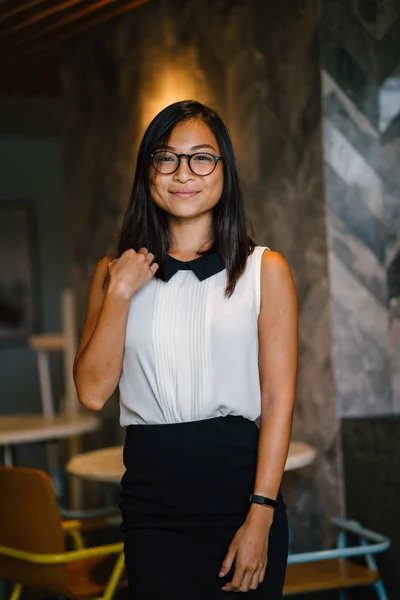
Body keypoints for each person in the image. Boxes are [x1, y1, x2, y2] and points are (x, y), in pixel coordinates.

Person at [73, 100, 298, 599]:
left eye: (201, 157)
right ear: (148, 171)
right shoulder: (113, 273)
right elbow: (91, 392)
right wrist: (121, 292)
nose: (183, 174)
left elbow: (279, 399)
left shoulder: (265, 271)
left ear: (224, 171)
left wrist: (260, 515)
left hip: (240, 496)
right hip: (152, 505)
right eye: (166, 158)